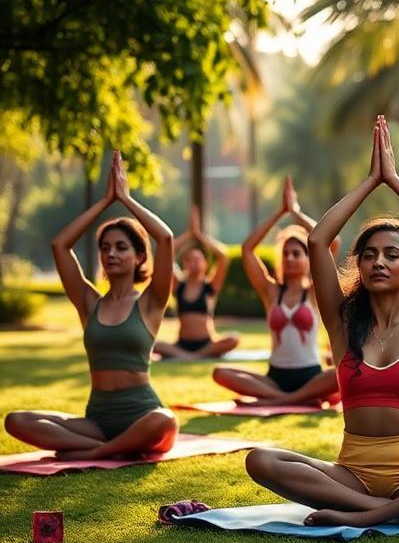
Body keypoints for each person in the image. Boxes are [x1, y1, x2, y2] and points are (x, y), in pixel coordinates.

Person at [244, 115, 399, 528]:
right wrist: (369, 182)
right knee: (261, 459)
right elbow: (317, 240)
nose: (379, 261)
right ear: (358, 265)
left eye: (392, 254)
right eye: (369, 254)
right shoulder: (342, 324)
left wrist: (394, 181)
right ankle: (386, 513)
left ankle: (378, 513)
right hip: (351, 476)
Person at [4, 151, 177, 459]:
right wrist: (104, 202)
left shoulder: (151, 301)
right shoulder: (88, 301)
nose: (111, 253)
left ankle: (93, 453)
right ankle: (104, 449)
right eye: (105, 248)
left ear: (139, 256)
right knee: (16, 420)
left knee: (165, 420)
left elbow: (165, 239)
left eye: (121, 247)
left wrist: (125, 199)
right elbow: (60, 245)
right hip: (97, 419)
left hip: (141, 414)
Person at [212, 176, 338, 406]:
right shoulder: (270, 291)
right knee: (220, 373)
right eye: (286, 253)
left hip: (310, 376)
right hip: (275, 378)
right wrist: (279, 213)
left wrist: (296, 213)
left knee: (342, 373)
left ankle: (278, 400)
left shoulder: (313, 291)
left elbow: (332, 242)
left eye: (296, 253)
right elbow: (248, 249)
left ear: (309, 260)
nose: (289, 257)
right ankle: (288, 399)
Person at [153, 206, 239, 360]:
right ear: (184, 263)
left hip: (206, 344)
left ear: (206, 263)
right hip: (182, 343)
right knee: (154, 344)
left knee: (234, 339)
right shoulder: (178, 285)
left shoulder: (210, 286)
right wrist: (189, 234)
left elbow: (223, 256)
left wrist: (199, 235)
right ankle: (190, 355)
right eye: (190, 260)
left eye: (198, 259)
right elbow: (166, 252)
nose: (195, 263)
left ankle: (193, 356)